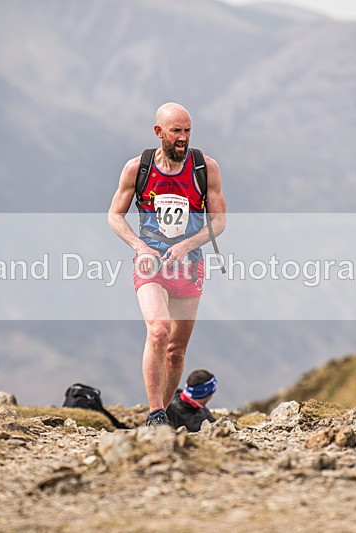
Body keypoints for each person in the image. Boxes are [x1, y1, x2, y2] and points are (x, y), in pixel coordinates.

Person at [107, 103, 226, 427]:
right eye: (176, 131)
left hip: (189, 267)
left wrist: (188, 244)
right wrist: (139, 246)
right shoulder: (138, 168)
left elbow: (219, 221)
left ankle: (167, 413)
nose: (183, 138)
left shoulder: (205, 168)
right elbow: (114, 215)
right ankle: (155, 413)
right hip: (151, 264)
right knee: (158, 331)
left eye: (188, 130)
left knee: (175, 351)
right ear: (158, 132)